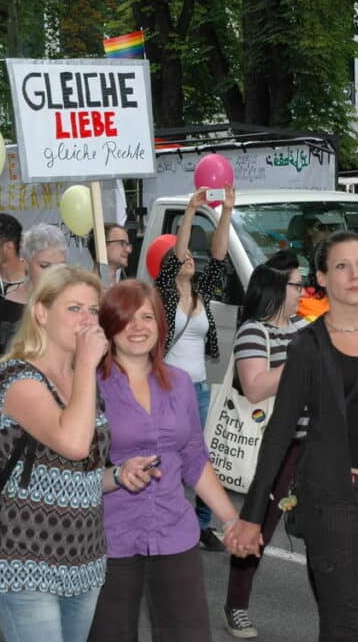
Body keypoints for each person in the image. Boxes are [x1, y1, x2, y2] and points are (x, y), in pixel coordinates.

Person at [225, 231, 358, 642]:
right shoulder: (307, 346)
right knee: (342, 624)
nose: (355, 275)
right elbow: (280, 433)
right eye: (341, 266)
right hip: (331, 500)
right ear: (321, 277)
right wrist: (251, 517)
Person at [89, 279, 240, 641]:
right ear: (110, 326)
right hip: (110, 537)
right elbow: (75, 468)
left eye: (147, 317)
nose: (138, 328)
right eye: (127, 318)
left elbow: (193, 458)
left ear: (161, 322)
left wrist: (231, 519)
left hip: (176, 533)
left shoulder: (181, 383)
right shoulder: (91, 385)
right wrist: (117, 474)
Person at [0, 264, 109, 642]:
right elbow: (72, 444)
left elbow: (84, 468)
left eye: (93, 310)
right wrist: (88, 364)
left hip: (84, 558)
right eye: (74, 309)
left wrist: (120, 476)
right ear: (41, 312)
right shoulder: (16, 378)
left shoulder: (82, 379)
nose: (87, 320)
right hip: (27, 559)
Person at [221, 249, 309, 639]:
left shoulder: (304, 326)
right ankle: (236, 605)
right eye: (297, 284)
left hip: (314, 442)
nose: (303, 291)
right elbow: (254, 387)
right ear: (276, 286)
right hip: (275, 445)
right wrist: (301, 361)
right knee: (258, 527)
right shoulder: (254, 331)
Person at [154, 187, 233, 551]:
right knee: (167, 454)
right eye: (182, 260)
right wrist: (189, 211)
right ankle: (163, 514)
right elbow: (178, 253)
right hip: (168, 389)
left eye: (190, 259)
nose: (190, 261)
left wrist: (225, 211)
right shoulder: (165, 295)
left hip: (199, 388)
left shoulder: (202, 293)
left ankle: (202, 524)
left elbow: (219, 256)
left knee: (202, 455)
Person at [0, 223, 68, 354]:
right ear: (26, 262)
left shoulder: (73, 302)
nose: (53, 273)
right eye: (44, 266)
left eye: (60, 266)